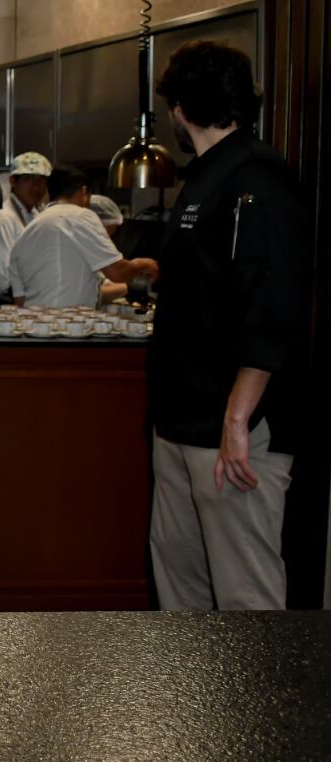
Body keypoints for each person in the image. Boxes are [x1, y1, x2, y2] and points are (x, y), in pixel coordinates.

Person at [147, 40, 309, 610]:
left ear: (181, 109)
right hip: (181, 420)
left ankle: (264, 704)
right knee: (182, 588)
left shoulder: (259, 178)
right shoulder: (204, 177)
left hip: (234, 430)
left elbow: (273, 304)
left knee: (246, 599)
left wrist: (238, 418)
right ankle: (190, 703)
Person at [8, 165, 158, 309]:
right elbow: (117, 273)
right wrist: (144, 264)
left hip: (34, 328)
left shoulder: (27, 233)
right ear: (84, 191)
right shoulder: (80, 215)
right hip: (68, 328)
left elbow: (20, 302)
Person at [0, 151, 51, 301]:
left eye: (41, 181)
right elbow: (3, 278)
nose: (36, 187)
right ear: (13, 181)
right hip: (5, 304)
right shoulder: (2, 218)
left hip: (30, 298)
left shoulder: (37, 215)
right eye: (28, 179)